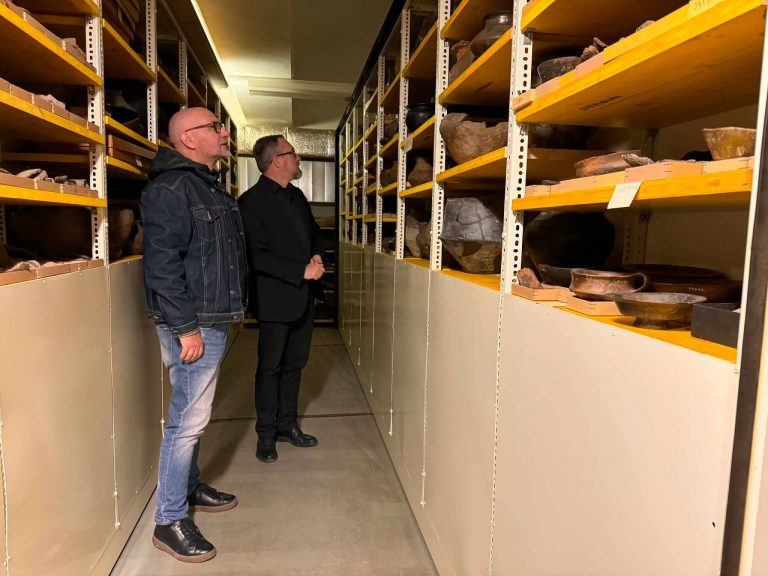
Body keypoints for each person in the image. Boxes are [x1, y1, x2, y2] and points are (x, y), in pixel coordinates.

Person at [141, 107, 247, 563]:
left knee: (196, 416)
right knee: (187, 421)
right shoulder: (170, 189)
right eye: (215, 127)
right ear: (188, 138)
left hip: (209, 317)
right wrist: (185, 329)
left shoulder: (205, 184)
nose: (224, 133)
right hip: (193, 322)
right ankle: (168, 520)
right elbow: (162, 266)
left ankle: (188, 486)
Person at [238, 135, 324, 464]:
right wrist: (300, 271)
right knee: (270, 368)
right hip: (275, 301)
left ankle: (288, 425)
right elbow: (256, 256)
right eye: (292, 153)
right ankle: (266, 433)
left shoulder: (297, 196)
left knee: (295, 365)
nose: (298, 157)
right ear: (277, 161)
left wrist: (316, 255)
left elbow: (314, 233)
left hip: (304, 297)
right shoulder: (250, 203)